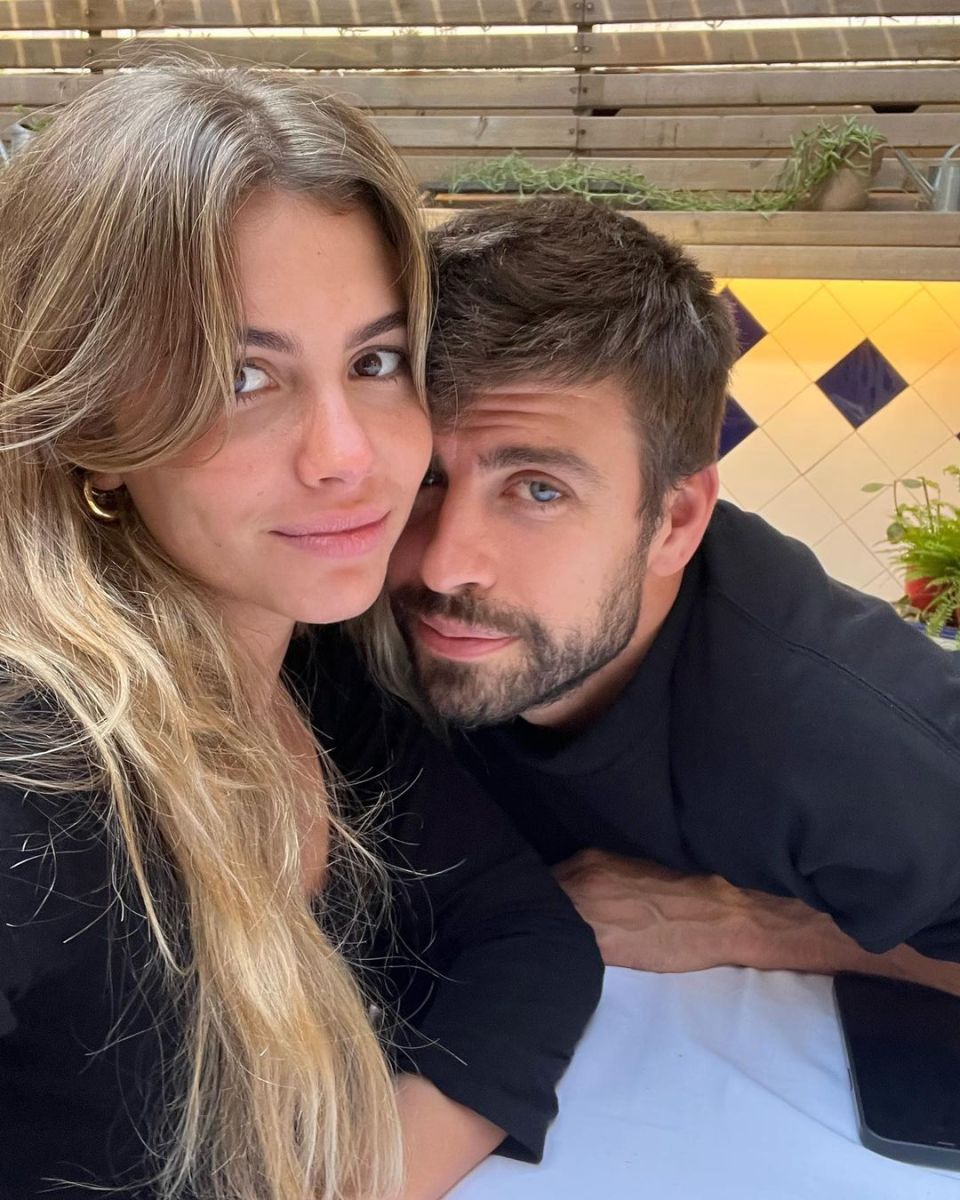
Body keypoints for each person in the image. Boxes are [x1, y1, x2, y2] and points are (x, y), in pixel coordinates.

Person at [0, 72, 602, 1200]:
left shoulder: (314, 672)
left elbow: (527, 940)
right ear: (89, 425)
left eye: (375, 362)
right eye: (244, 376)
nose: (347, 456)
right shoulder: (36, 765)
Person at [379, 195, 960, 998]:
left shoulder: (842, 735)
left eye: (539, 490)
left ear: (675, 520)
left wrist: (751, 923)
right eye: (424, 477)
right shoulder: (354, 611)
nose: (444, 566)